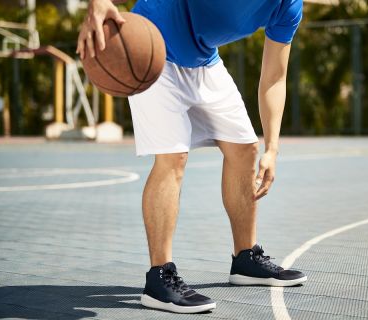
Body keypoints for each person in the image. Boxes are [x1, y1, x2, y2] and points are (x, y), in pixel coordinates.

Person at [77, 0, 307, 314]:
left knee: (245, 148)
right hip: (153, 48)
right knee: (173, 158)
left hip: (204, 60)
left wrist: (273, 149)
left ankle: (245, 260)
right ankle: (159, 277)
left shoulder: (289, 6)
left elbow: (274, 79)